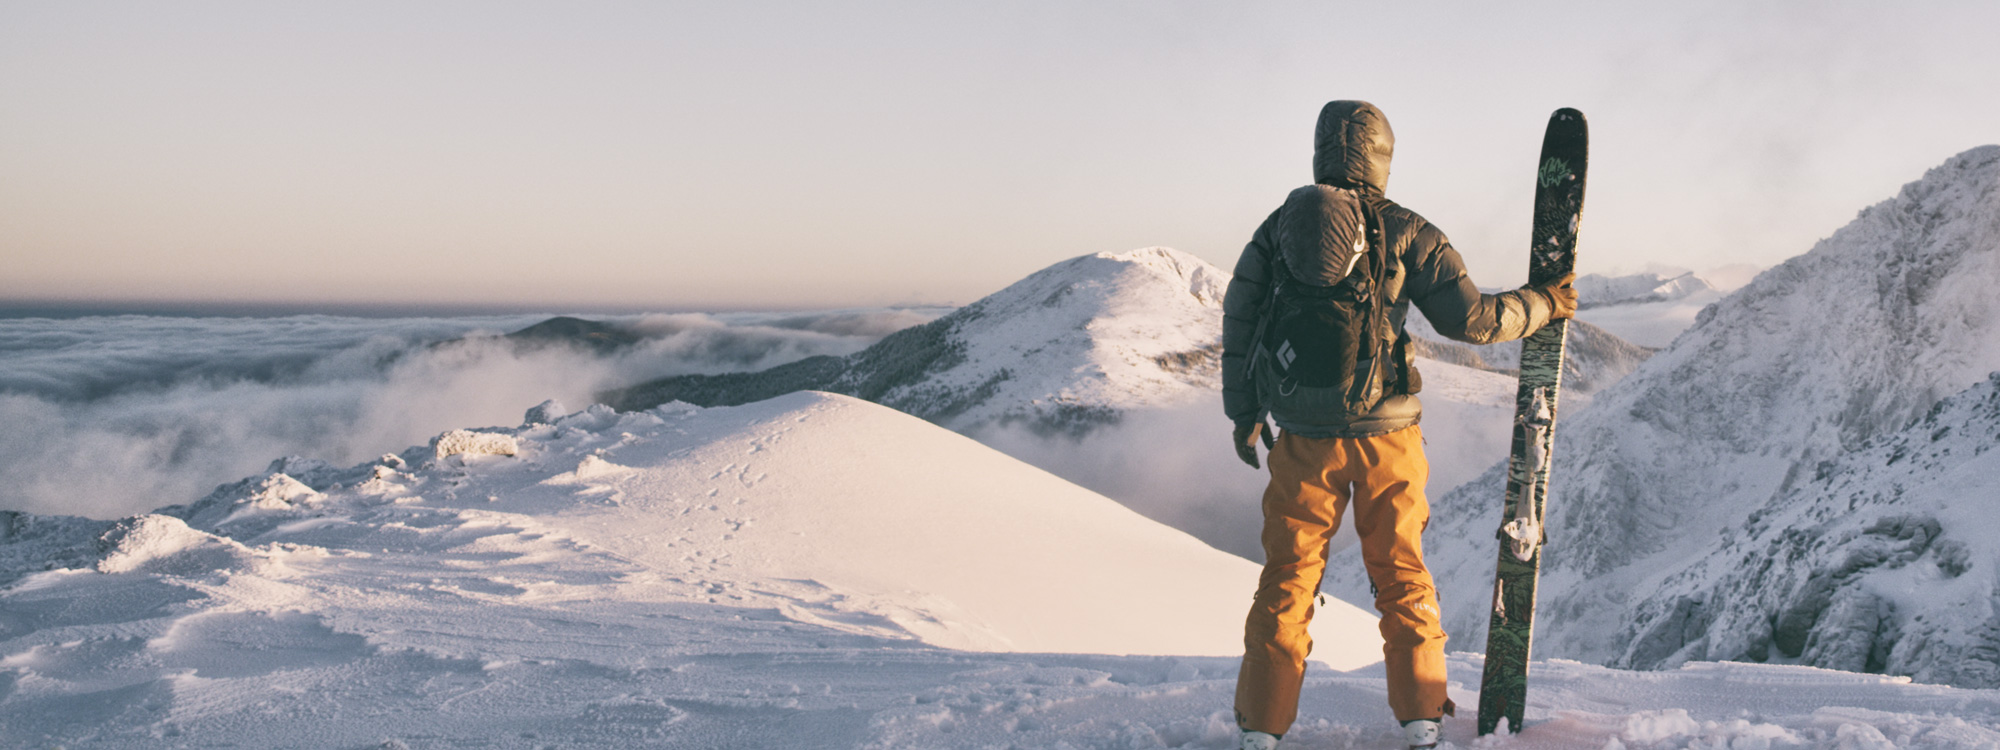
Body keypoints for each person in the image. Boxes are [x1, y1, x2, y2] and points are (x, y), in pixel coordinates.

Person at [1220, 100, 1577, 750]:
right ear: (1383, 155)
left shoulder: (1277, 231)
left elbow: (1241, 321)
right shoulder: (1408, 230)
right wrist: (1545, 303)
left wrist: (1244, 412)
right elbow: (1473, 322)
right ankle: (1420, 722)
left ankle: (1261, 730)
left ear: (1320, 151)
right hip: (1388, 438)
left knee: (1288, 579)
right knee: (1402, 573)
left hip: (1303, 437)